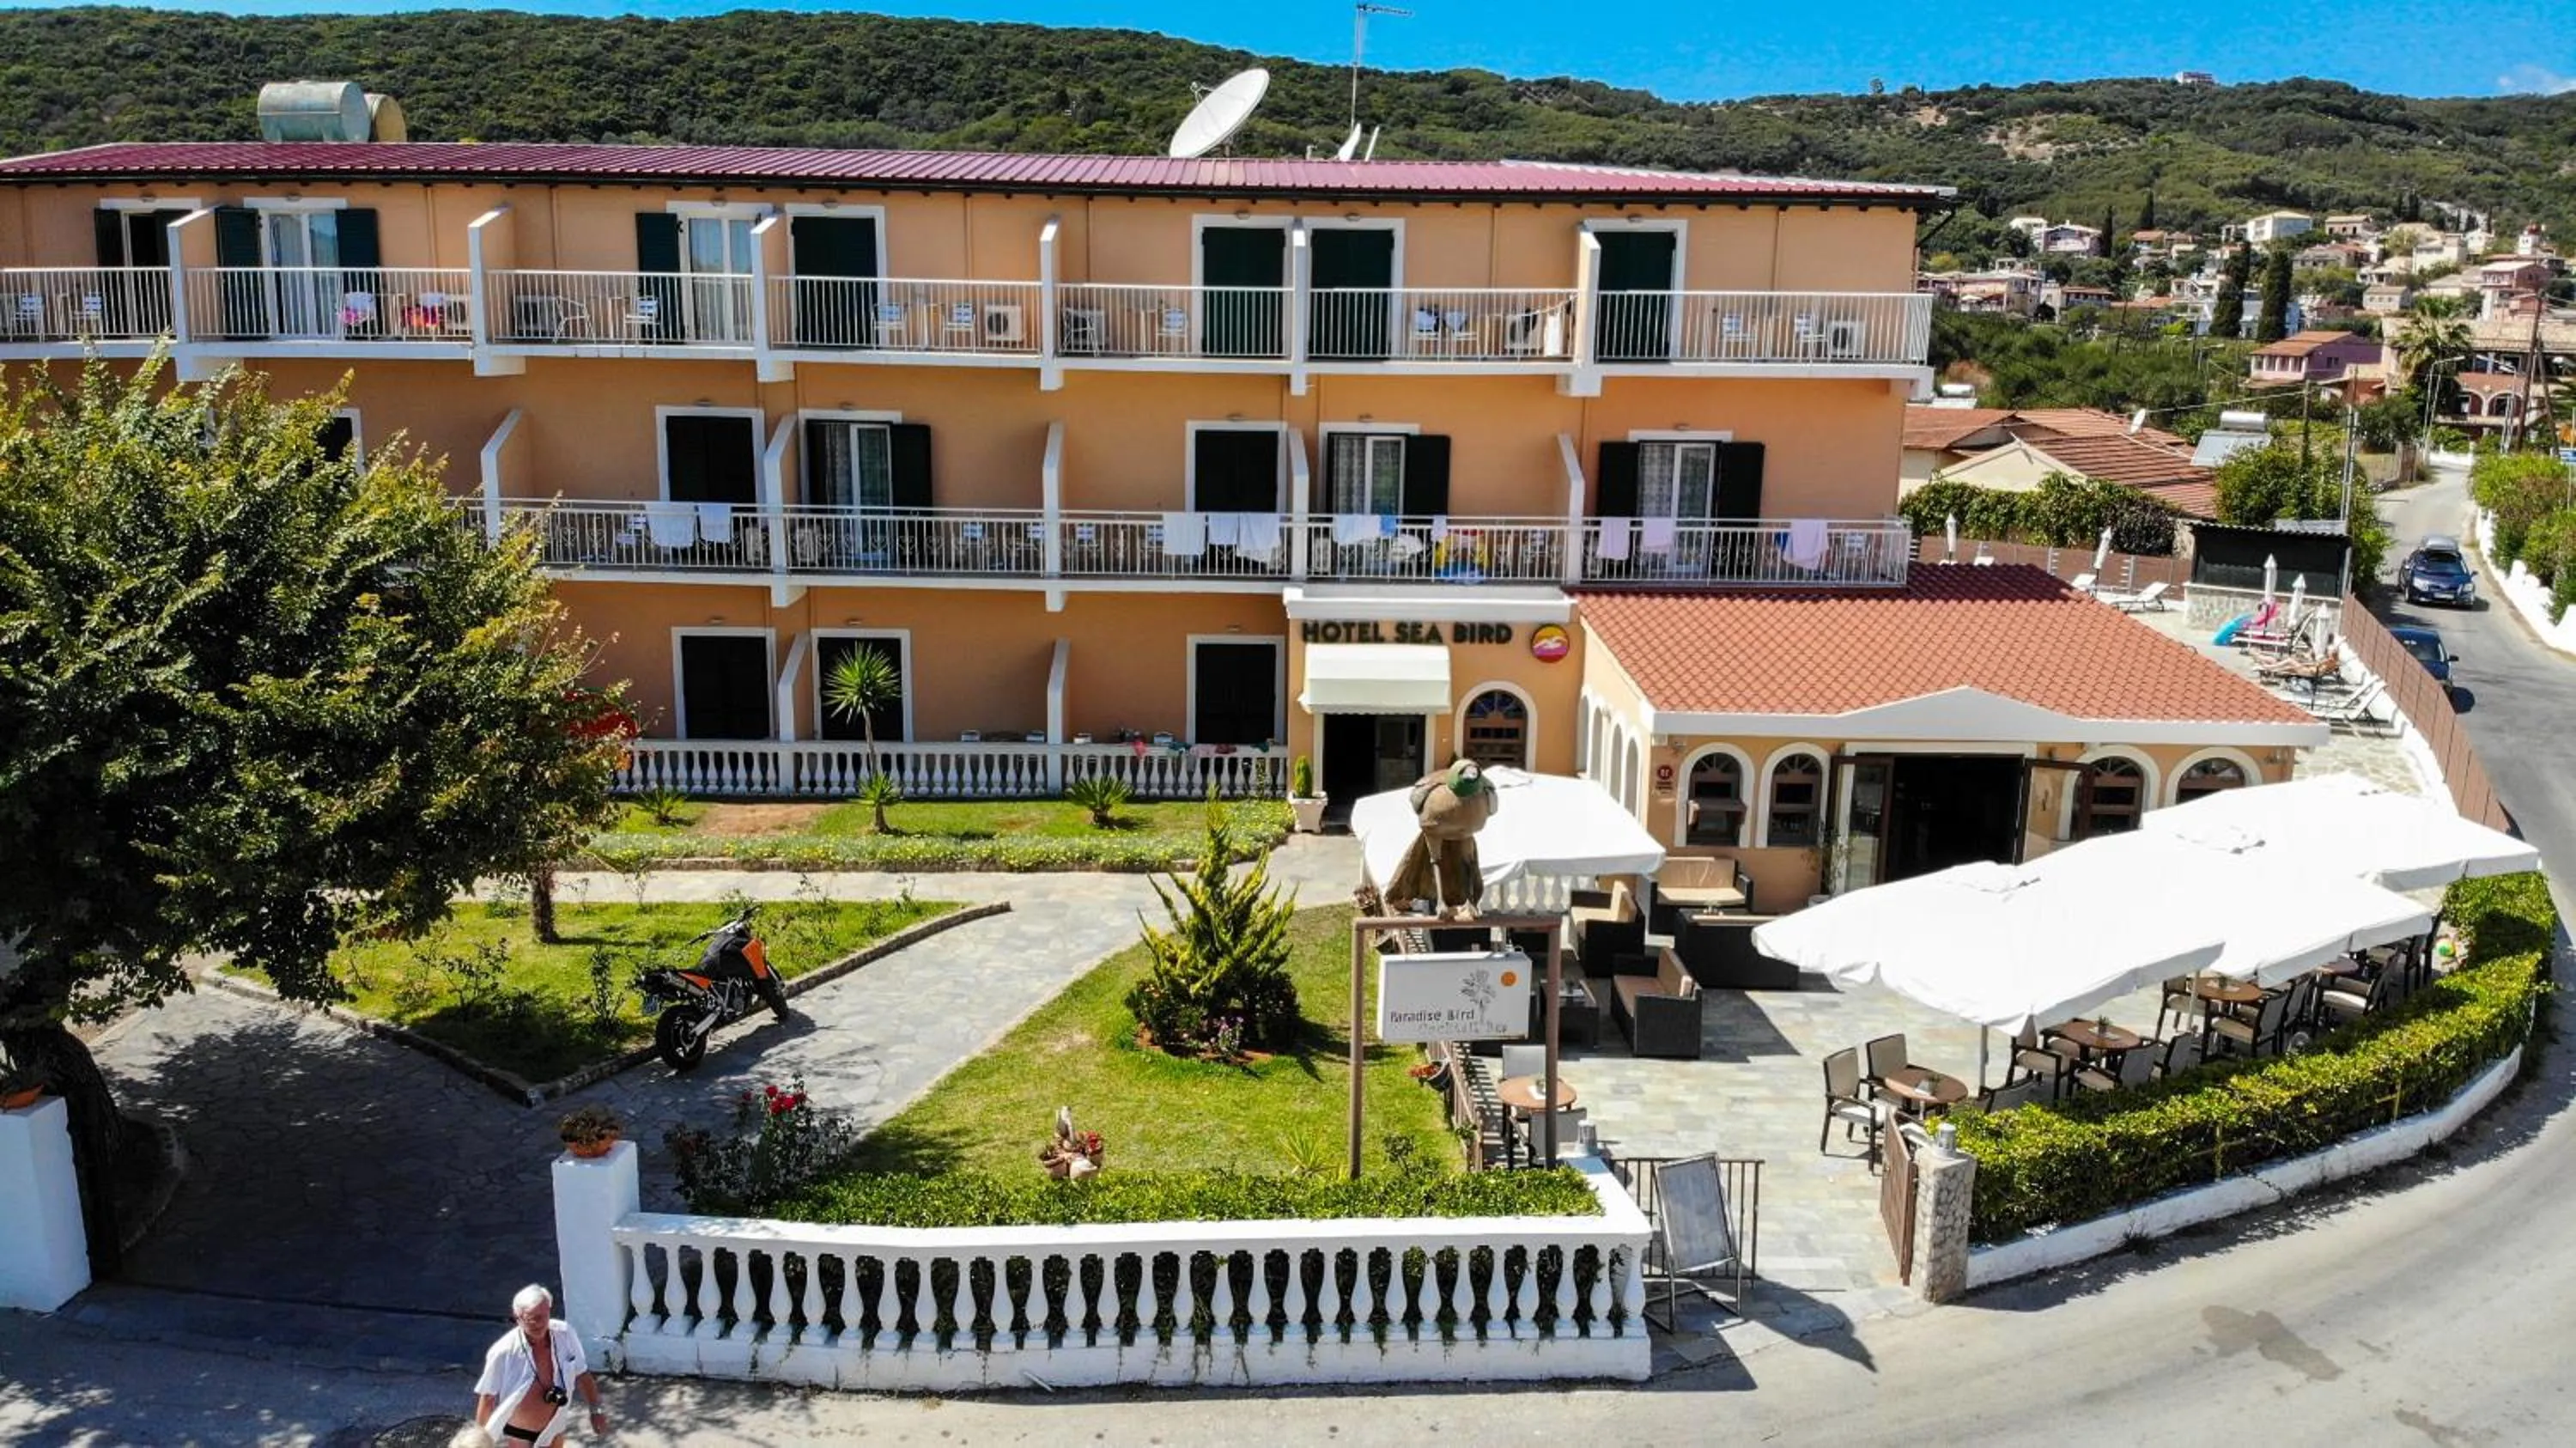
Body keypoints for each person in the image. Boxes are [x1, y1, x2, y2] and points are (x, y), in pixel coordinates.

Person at [473, 1284, 608, 1445]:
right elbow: (487, 1398)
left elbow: (582, 1374)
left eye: (543, 1316)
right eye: (532, 1319)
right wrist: (478, 1443)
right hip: (520, 1434)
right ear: (518, 1318)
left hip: (555, 1429)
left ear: (549, 1310)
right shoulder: (503, 1351)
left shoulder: (565, 1334)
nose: (539, 1323)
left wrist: (595, 1410)